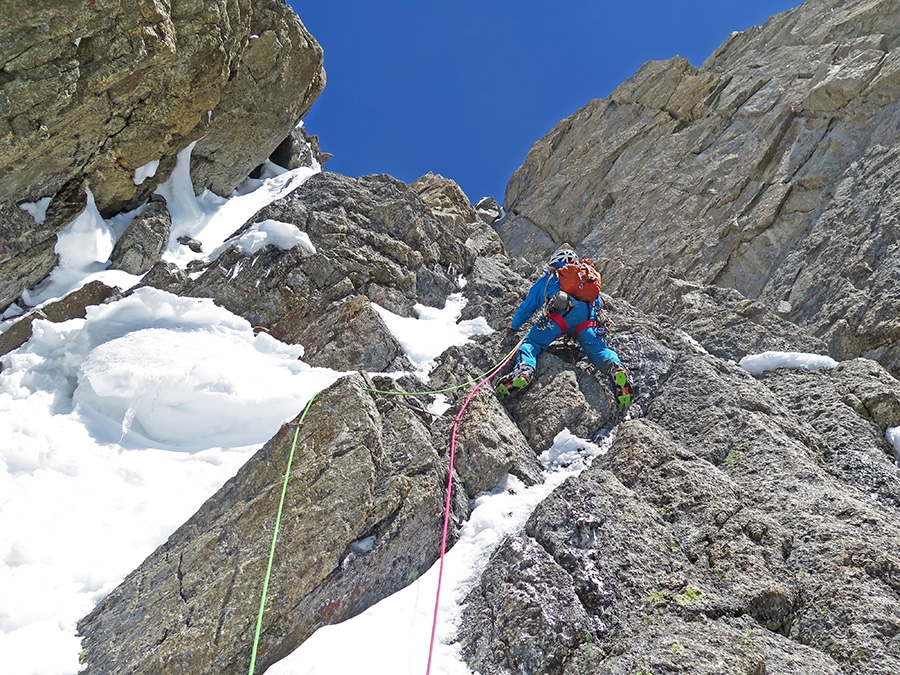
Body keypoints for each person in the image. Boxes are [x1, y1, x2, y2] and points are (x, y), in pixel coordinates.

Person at [496, 245, 632, 407]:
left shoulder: (551, 278)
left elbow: (529, 305)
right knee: (600, 351)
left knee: (531, 344)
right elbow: (596, 308)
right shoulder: (586, 280)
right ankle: (615, 368)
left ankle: (525, 371)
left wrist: (515, 324)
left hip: (558, 318)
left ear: (555, 263)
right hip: (586, 322)